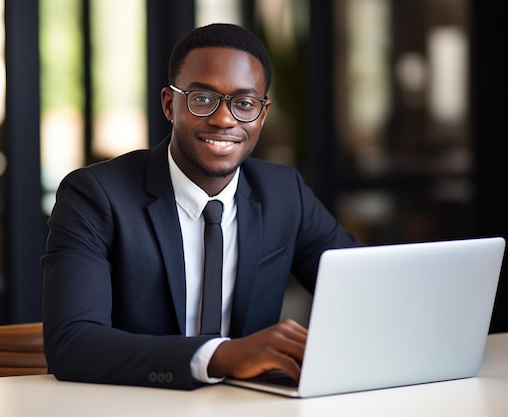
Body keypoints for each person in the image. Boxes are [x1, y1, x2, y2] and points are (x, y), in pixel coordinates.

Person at [41, 23, 362, 391]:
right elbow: (73, 344)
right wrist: (222, 355)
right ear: (169, 104)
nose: (224, 119)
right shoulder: (95, 196)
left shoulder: (285, 193)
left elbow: (367, 290)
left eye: (244, 103)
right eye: (203, 98)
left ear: (262, 114)